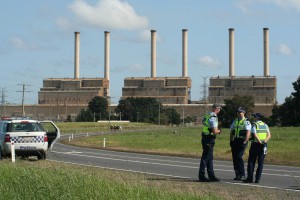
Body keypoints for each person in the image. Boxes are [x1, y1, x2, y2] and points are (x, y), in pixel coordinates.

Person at [243, 113, 271, 184]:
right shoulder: (265, 125)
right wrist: (264, 142)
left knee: (251, 162)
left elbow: (255, 134)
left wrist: (259, 142)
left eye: (254, 117)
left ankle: (250, 178)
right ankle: (257, 179)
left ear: (257, 118)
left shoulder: (254, 125)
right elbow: (269, 135)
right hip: (264, 145)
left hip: (256, 145)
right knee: (260, 163)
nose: (253, 118)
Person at [198, 103, 222, 182]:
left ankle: (211, 175)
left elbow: (205, 124)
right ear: (217, 109)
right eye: (219, 109)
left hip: (205, 137)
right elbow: (215, 131)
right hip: (209, 139)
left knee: (210, 158)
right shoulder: (214, 117)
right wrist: (219, 131)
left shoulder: (208, 115)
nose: (219, 111)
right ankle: (201, 176)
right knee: (205, 157)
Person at [229, 107, 251, 181]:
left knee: (239, 157)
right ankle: (237, 174)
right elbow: (232, 131)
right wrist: (231, 140)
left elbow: (248, 133)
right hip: (235, 140)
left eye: (240, 112)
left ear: (243, 113)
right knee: (235, 158)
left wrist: (245, 142)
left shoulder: (246, 121)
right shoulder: (235, 120)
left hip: (242, 140)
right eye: (237, 112)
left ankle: (242, 174)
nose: (238, 113)